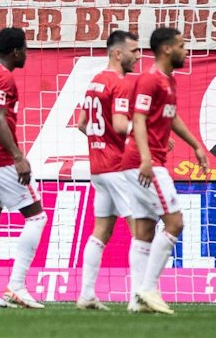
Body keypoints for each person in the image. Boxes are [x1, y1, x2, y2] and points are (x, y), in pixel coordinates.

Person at [127, 25, 212, 315]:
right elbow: (138, 118)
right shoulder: (150, 80)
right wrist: (147, 158)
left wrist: (196, 145)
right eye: (182, 45)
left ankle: (136, 300)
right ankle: (148, 289)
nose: (185, 50)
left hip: (142, 161)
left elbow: (170, 117)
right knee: (175, 223)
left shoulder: (169, 81)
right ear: (166, 49)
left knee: (145, 230)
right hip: (144, 163)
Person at [0, 27, 46, 309]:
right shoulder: (4, 78)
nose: (27, 54)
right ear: (15, 51)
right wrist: (17, 156)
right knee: (37, 217)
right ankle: (16, 285)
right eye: (25, 49)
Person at [76, 30, 140, 310]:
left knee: (101, 231)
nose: (138, 56)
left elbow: (81, 124)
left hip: (97, 167)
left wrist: (99, 142)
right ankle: (140, 296)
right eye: (134, 51)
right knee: (141, 229)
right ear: (118, 53)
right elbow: (120, 125)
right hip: (116, 167)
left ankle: (87, 295)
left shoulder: (95, 82)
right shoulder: (119, 83)